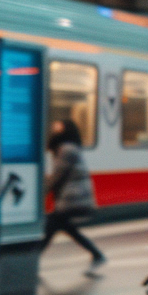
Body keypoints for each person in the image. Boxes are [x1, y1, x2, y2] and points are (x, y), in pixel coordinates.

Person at [42, 118, 106, 277]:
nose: (54, 131)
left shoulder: (67, 150)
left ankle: (30, 262)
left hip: (72, 198)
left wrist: (42, 192)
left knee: (53, 226)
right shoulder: (67, 148)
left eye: (58, 128)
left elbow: (58, 176)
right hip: (70, 197)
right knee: (64, 227)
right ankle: (97, 255)